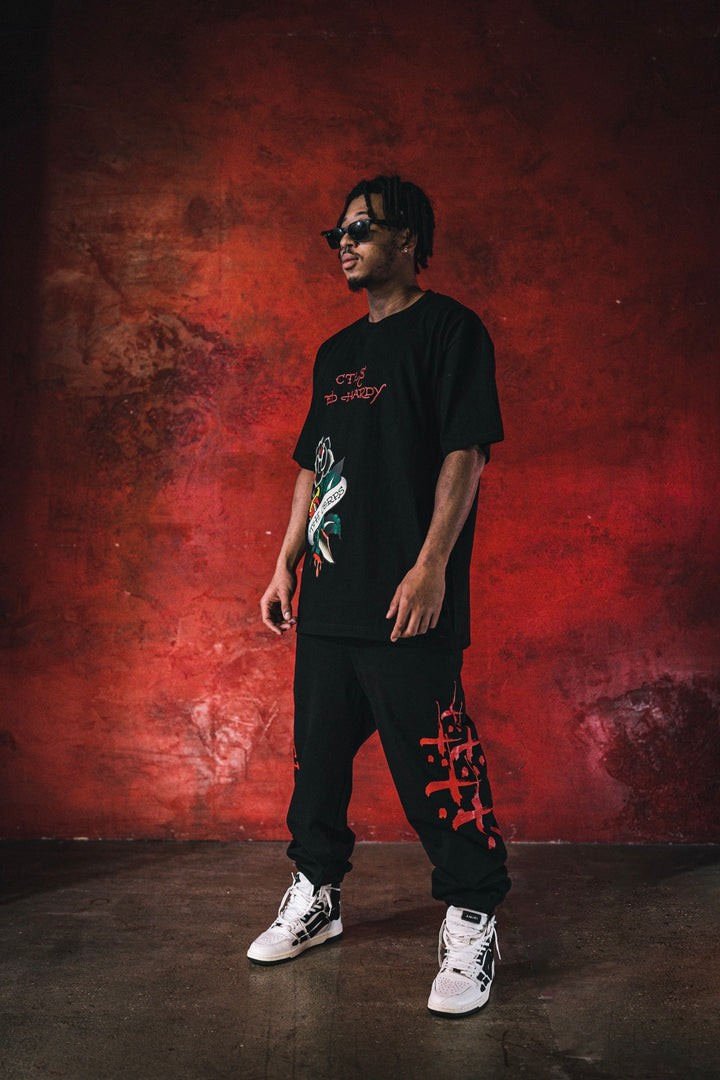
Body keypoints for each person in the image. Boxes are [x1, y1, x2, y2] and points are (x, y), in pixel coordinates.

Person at [248, 175, 510, 1017]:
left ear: (408, 238)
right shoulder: (335, 353)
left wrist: (432, 567)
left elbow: (466, 453)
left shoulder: (451, 331)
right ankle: (316, 895)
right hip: (330, 598)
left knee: (436, 763)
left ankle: (473, 915)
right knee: (317, 766)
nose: (345, 244)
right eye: (339, 233)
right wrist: (285, 564)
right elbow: (312, 468)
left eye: (361, 229)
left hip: (406, 599)